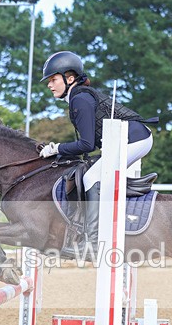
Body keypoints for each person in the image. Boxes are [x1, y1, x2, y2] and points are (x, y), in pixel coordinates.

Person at [39, 51, 155, 257]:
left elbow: (86, 144)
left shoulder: (80, 99)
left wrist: (56, 148)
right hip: (130, 139)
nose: (49, 85)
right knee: (93, 172)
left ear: (70, 78)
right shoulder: (78, 96)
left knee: (92, 177)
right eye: (49, 81)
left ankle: (92, 242)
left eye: (54, 79)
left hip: (135, 140)